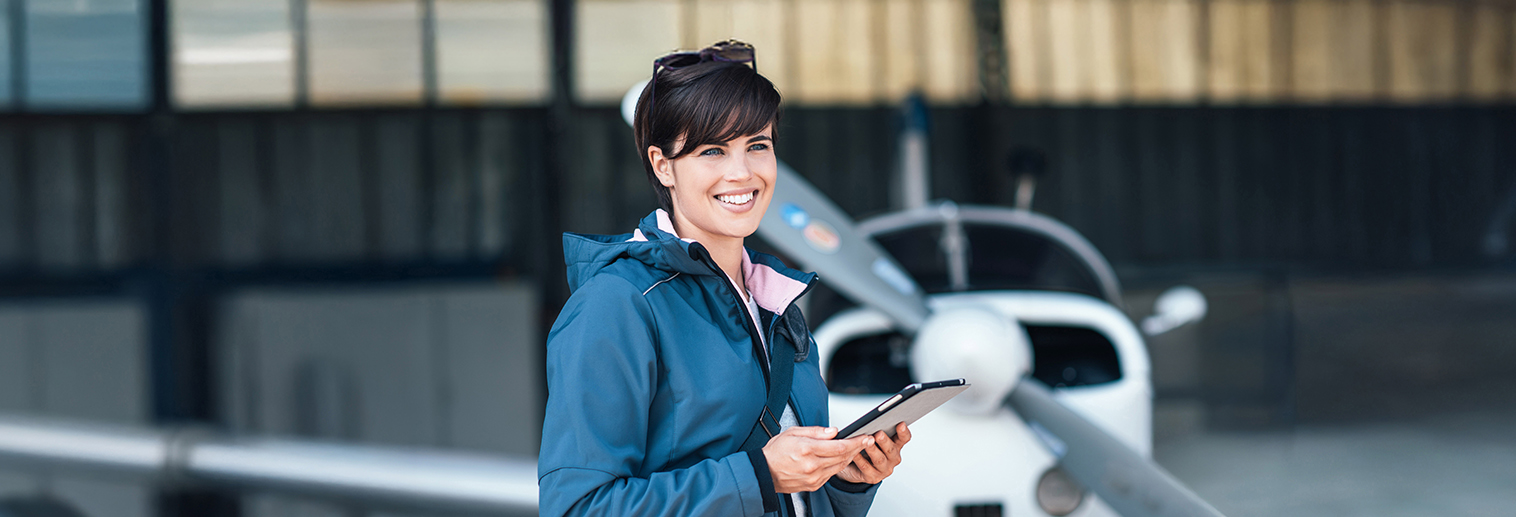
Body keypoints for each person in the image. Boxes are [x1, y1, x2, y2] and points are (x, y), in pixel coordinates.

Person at [537, 40, 912, 517]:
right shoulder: (618, 303)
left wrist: (846, 482)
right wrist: (760, 475)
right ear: (662, 165)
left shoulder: (779, 304)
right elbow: (578, 508)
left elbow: (790, 498)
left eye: (758, 145)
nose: (742, 173)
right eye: (712, 151)